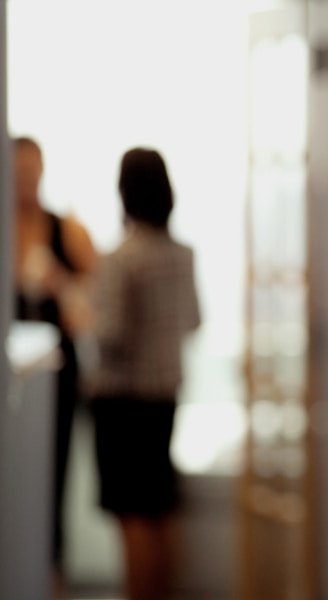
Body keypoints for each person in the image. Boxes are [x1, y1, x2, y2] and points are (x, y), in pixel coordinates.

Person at [89, 148, 200, 600]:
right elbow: (194, 320)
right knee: (159, 510)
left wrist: (81, 309)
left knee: (131, 515)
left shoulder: (120, 258)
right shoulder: (183, 255)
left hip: (122, 400)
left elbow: (109, 335)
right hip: (164, 397)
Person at [13, 136, 98, 589]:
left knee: (52, 482)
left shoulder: (67, 230)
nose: (27, 180)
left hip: (56, 381)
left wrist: (60, 283)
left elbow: (96, 310)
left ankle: (52, 577)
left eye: (33, 170)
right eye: (19, 171)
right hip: (11, 381)